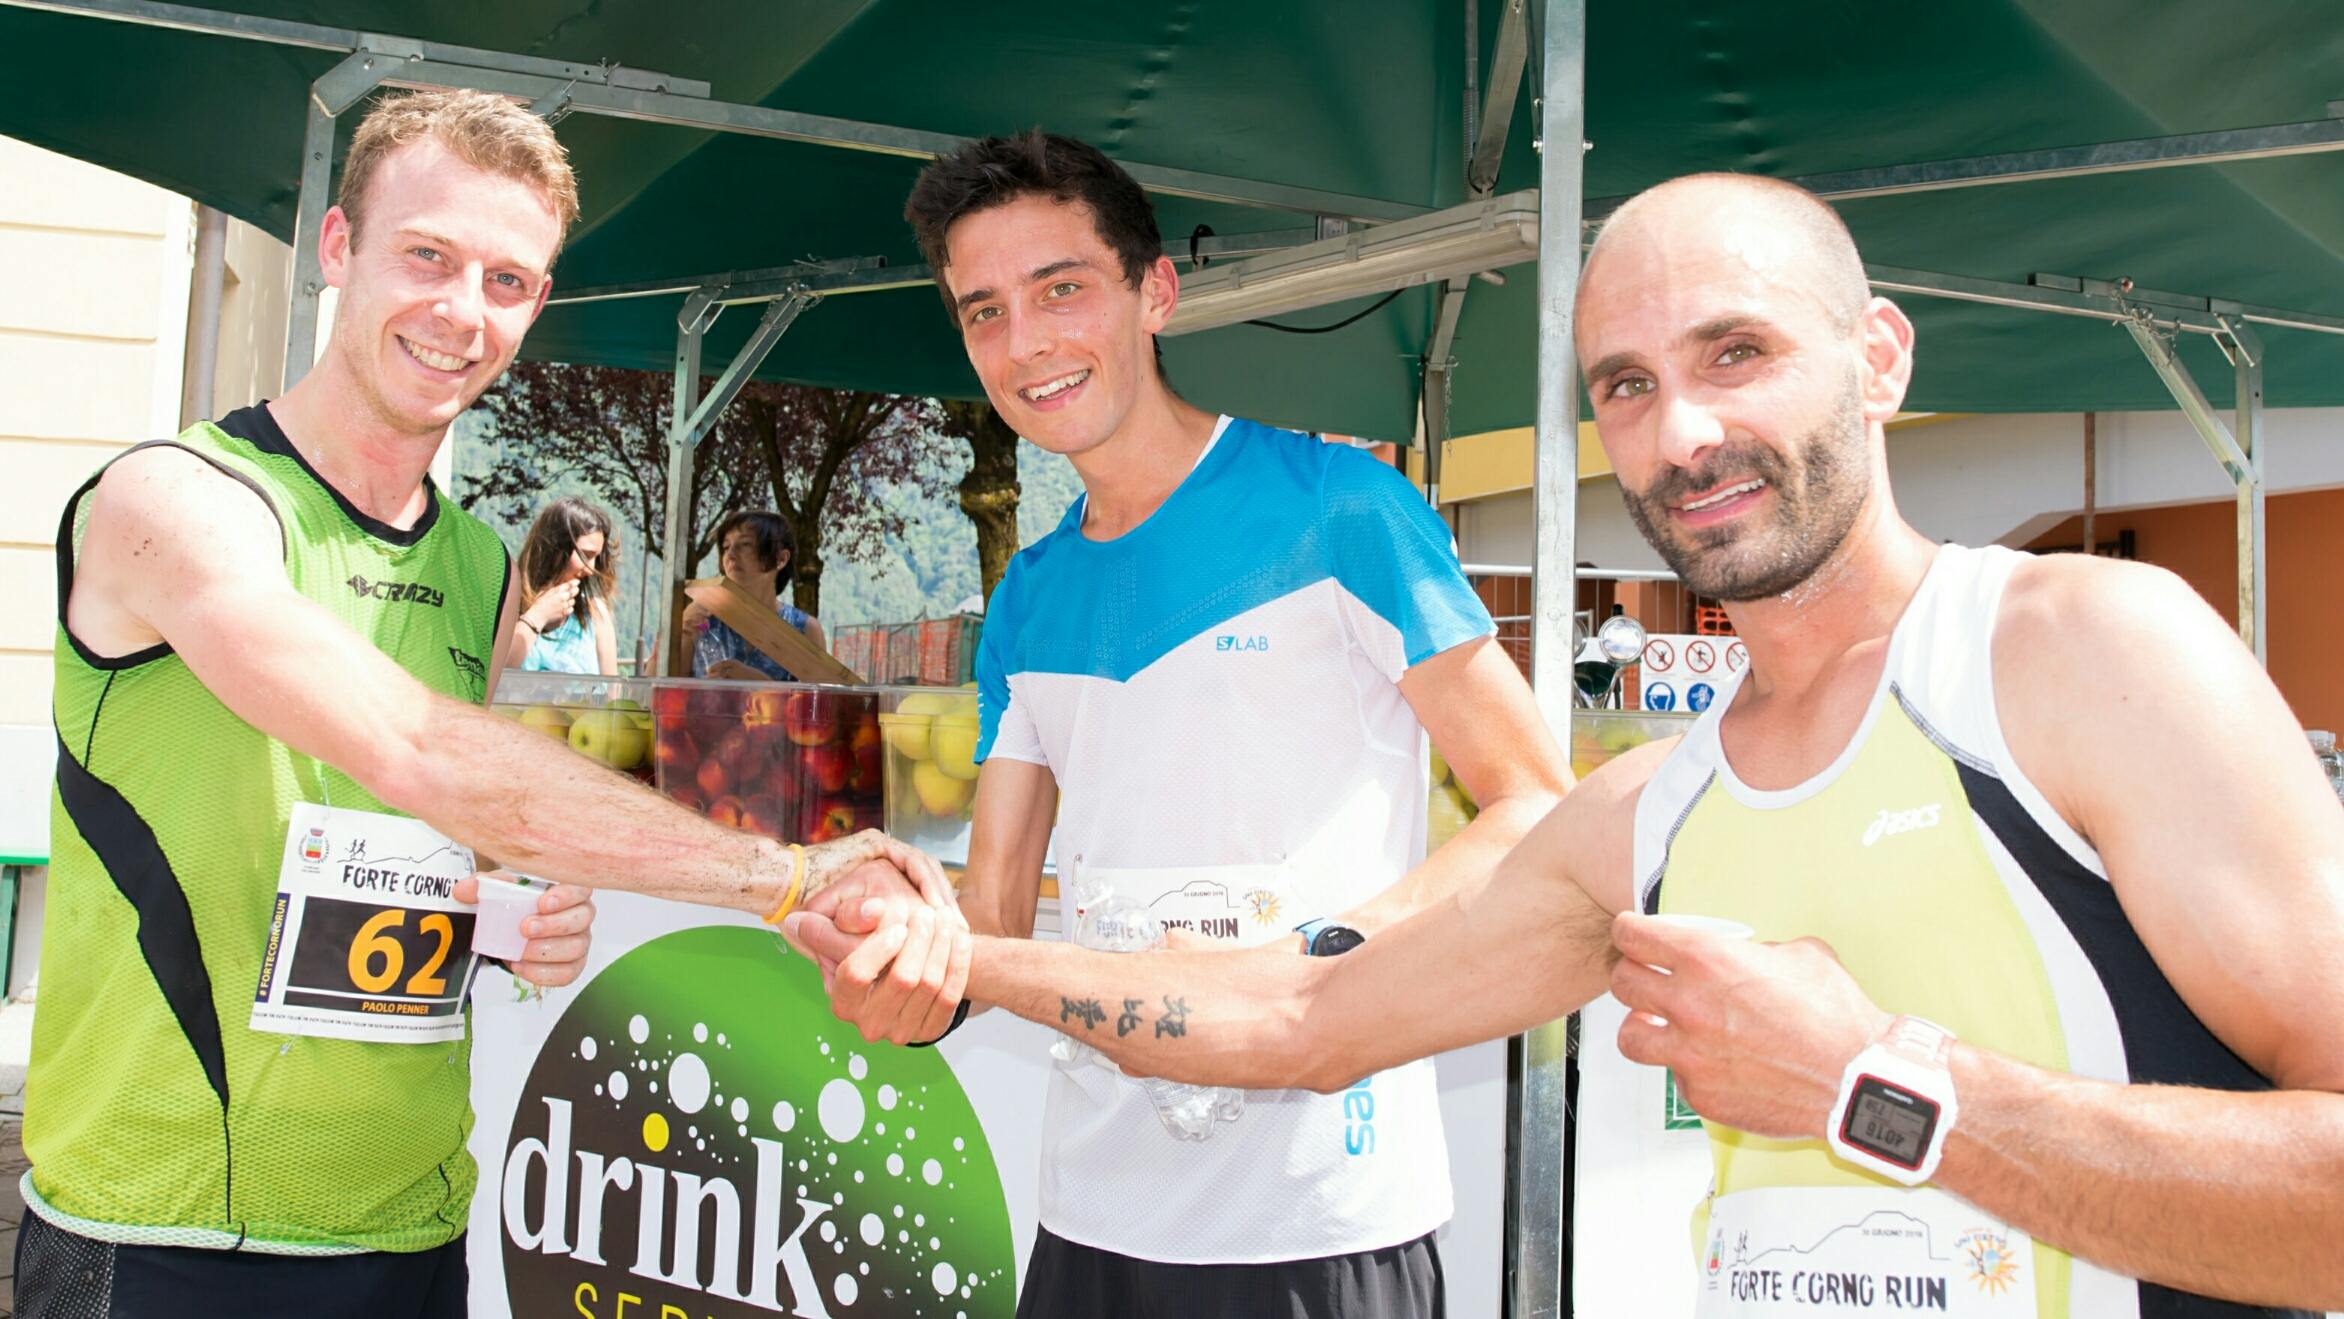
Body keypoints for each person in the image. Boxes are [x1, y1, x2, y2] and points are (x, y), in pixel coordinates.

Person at [794, 172, 2344, 1316]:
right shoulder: (1651, 812)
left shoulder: (2077, 647)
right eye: (1627, 385)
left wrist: (1878, 1084)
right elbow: (1299, 1014)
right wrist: (939, 948)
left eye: (1736, 354)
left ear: (1879, 357)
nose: (1681, 435)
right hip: (1106, 1205)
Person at [26, 88, 950, 1319]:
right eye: (428, 257)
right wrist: (786, 879)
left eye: (508, 281)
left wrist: (498, 911)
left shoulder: (481, 563)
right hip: (165, 1232)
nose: (463, 313)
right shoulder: (175, 502)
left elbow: (495, 812)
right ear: (337, 250)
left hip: (413, 1227)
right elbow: (413, 748)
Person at [800, 130, 1571, 1319]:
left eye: (1061, 289)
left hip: (1321, 1214)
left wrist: (1315, 971)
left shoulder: (1344, 508)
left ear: (1153, 291)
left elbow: (1531, 807)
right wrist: (904, 955)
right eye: (984, 311)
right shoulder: (1027, 596)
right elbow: (994, 922)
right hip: (1094, 1215)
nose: (1028, 344)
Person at [683, 509, 827, 680]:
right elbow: (653, 693)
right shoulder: (699, 619)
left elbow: (819, 703)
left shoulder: (805, 629)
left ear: (781, 558)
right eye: (726, 547)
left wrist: (763, 687)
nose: (730, 555)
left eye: (745, 544)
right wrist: (682, 630)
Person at [509, 495, 619, 674]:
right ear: (554, 549)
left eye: (595, 558)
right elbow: (494, 674)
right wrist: (537, 616)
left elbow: (612, 695)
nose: (590, 569)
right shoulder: (508, 603)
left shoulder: (595, 613)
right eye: (585, 555)